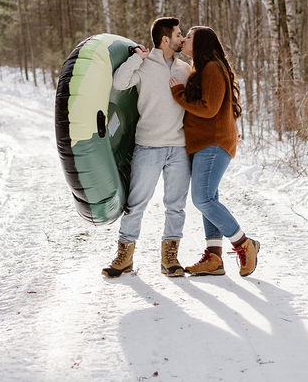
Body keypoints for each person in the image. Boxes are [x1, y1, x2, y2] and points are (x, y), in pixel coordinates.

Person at [102, 17, 192, 278]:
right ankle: (124, 257)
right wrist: (135, 58)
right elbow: (119, 83)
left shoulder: (183, 69)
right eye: (178, 34)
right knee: (135, 204)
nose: (182, 38)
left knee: (176, 205)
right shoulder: (143, 64)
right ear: (165, 39)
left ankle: (170, 258)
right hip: (148, 146)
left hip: (178, 147)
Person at [169, 26, 259, 277]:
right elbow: (219, 107)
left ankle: (244, 243)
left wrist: (179, 94)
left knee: (203, 199)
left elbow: (208, 108)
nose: (184, 40)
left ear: (200, 44)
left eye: (189, 37)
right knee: (209, 200)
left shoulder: (211, 68)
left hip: (213, 143)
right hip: (206, 142)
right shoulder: (203, 68)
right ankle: (214, 257)